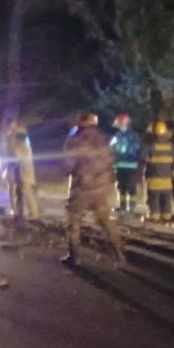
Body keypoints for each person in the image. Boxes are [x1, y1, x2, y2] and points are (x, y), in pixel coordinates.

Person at [61, 113, 124, 267]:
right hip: (102, 187)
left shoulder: (75, 141)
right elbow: (111, 161)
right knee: (105, 220)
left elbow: (68, 166)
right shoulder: (103, 139)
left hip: (83, 187)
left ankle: (74, 256)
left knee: (74, 219)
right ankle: (118, 255)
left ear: (81, 123)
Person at [140, 121, 174, 223]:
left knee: (154, 199)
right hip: (167, 179)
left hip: (154, 178)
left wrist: (146, 136)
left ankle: (155, 216)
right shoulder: (171, 146)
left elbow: (143, 157)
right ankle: (167, 216)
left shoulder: (151, 145)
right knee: (166, 200)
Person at [5, 123, 39, 220]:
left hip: (24, 173)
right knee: (19, 192)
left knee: (27, 192)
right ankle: (19, 212)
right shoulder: (22, 145)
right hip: (20, 172)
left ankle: (33, 214)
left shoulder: (22, 146)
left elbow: (15, 156)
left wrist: (12, 134)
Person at [110, 113, 140, 212]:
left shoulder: (119, 135)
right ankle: (127, 206)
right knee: (125, 187)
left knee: (126, 187)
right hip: (127, 165)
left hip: (125, 165)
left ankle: (128, 207)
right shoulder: (133, 135)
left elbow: (111, 148)